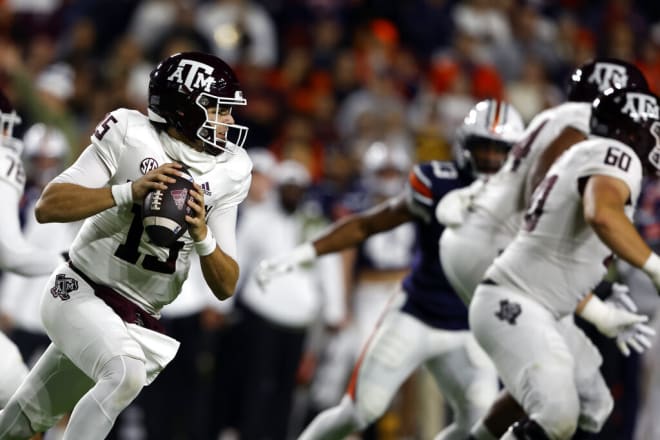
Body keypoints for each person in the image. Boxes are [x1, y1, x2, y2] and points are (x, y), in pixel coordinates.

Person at [0, 51, 252, 440]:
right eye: (218, 109)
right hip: (79, 290)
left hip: (136, 317)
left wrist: (203, 235)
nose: (229, 120)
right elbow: (48, 206)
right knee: (125, 374)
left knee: (23, 419)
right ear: (186, 109)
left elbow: (226, 285)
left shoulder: (231, 170)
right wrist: (126, 192)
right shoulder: (129, 132)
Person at [256, 99, 524, 440]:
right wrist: (306, 252)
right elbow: (367, 226)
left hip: (469, 327)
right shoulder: (437, 183)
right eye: (482, 148)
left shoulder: (524, 198)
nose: (490, 159)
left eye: (499, 150)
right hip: (416, 314)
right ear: (465, 147)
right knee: (361, 410)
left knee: (481, 424)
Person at [437, 58, 654, 440]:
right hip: (503, 265)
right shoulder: (606, 148)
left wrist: (594, 304)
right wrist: (652, 267)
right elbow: (593, 212)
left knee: (588, 400)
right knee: (555, 407)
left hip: (496, 256)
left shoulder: (567, 125)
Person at [0, 94, 70, 410]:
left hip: (52, 307)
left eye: (49, 161)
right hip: (31, 306)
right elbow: (13, 253)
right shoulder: (17, 187)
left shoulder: (59, 194)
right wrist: (72, 263)